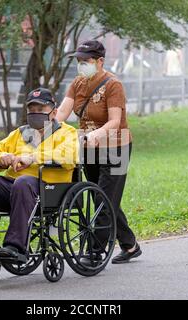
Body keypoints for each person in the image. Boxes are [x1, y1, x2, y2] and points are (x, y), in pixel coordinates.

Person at [0, 88, 79, 260]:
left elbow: (69, 156)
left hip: (47, 189)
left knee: (23, 182)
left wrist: (32, 158)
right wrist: (2, 157)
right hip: (14, 186)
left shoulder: (66, 132)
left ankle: (15, 247)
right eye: (32, 110)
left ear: (53, 112)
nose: (35, 113)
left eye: (41, 110)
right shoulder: (20, 133)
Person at [56, 40, 141, 264]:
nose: (82, 65)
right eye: (79, 61)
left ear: (100, 61)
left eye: (87, 61)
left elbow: (115, 121)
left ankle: (94, 252)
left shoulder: (114, 85)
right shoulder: (77, 83)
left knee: (104, 201)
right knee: (101, 196)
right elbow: (63, 111)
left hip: (116, 147)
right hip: (88, 147)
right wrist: (46, 132)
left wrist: (96, 134)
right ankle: (130, 245)